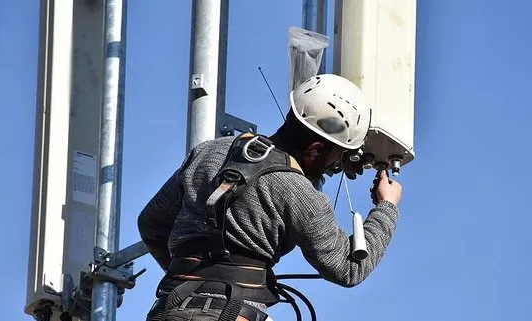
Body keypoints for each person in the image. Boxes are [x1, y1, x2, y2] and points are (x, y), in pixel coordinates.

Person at [139, 74, 403, 321]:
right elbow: (348, 268)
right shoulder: (299, 192)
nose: (338, 162)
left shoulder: (208, 152)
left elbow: (152, 223)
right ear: (315, 148)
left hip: (170, 309)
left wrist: (189, 279)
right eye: (338, 153)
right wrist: (386, 207)